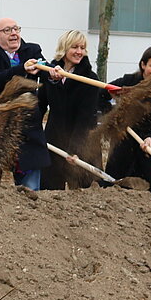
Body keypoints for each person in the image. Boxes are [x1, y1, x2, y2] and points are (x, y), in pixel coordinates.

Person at [0, 17, 47, 188]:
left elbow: (44, 69)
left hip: (27, 125)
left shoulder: (32, 50)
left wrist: (54, 73)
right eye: (7, 30)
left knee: (29, 187)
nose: (14, 33)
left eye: (16, 29)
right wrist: (21, 69)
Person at [103, 46, 151, 196]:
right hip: (124, 144)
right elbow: (101, 94)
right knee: (115, 191)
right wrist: (113, 115)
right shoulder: (129, 82)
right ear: (143, 65)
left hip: (150, 149)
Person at [39, 30, 105, 190]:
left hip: (83, 141)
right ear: (64, 48)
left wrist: (75, 149)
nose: (79, 52)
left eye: (82, 48)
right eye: (74, 47)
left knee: (85, 192)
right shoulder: (49, 74)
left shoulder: (90, 79)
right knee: (51, 191)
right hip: (54, 138)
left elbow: (85, 119)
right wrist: (33, 133)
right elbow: (40, 105)